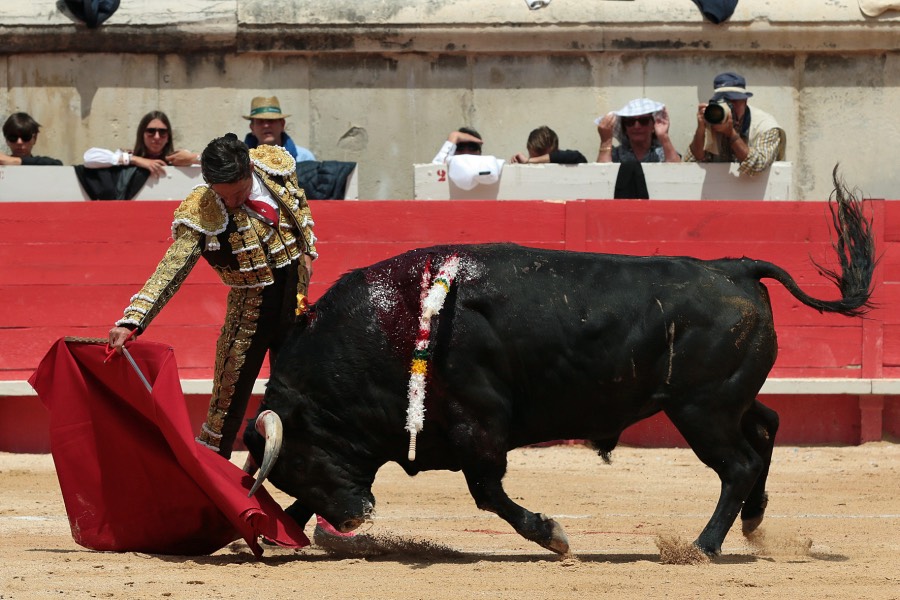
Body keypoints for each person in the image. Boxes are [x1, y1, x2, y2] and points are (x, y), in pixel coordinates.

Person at [107, 133, 317, 459]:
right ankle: (212, 486)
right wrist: (132, 319)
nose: (231, 203)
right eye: (224, 196)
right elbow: (171, 268)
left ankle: (311, 490)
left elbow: (299, 205)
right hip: (249, 314)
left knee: (301, 400)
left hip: (297, 305)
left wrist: (308, 250)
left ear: (249, 168)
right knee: (224, 408)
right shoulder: (204, 208)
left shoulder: (275, 168)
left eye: (238, 193)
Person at [684, 71, 786, 175]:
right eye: (724, 101)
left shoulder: (765, 126)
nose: (729, 107)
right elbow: (692, 160)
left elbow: (758, 166)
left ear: (745, 101)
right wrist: (701, 129)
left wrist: (731, 134)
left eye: (734, 101)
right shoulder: (713, 118)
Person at [83, 110, 200, 177]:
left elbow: (215, 168)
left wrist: (193, 158)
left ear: (168, 137)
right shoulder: (127, 156)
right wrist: (136, 160)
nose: (157, 137)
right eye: (151, 131)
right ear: (142, 135)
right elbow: (89, 158)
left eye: (162, 132)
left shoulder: (179, 159)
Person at [595, 98, 681, 163]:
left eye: (644, 121)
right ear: (625, 129)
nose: (637, 126)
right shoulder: (615, 154)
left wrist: (664, 137)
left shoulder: (662, 152)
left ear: (653, 126)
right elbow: (601, 178)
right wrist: (605, 141)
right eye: (630, 122)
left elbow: (678, 173)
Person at [243, 96, 315, 162]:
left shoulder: (304, 158)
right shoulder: (240, 160)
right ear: (252, 128)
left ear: (282, 124)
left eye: (271, 120)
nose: (266, 125)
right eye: (260, 121)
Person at [510, 125, 587, 164]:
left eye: (542, 158)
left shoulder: (570, 159)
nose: (537, 162)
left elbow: (576, 156)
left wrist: (528, 161)